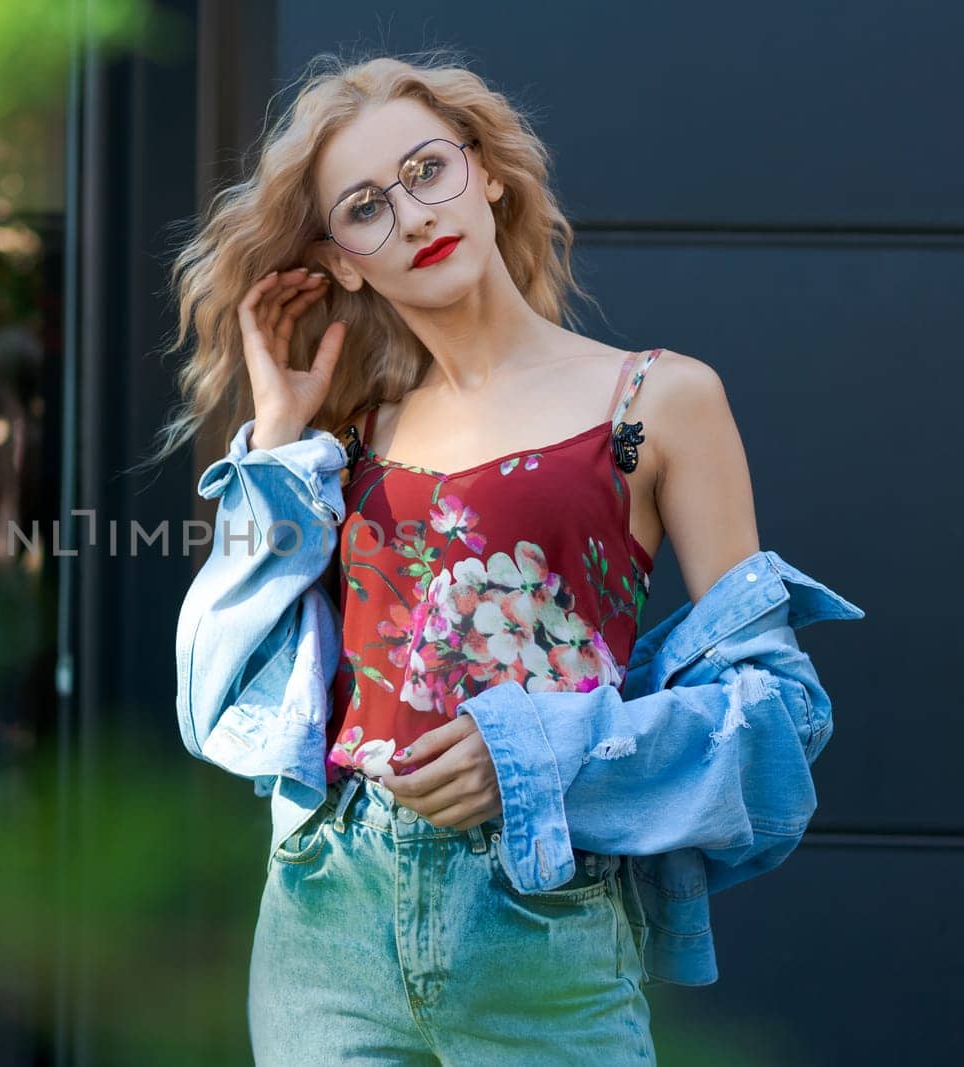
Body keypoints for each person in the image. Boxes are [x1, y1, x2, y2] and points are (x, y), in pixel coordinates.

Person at [151, 52, 864, 1066]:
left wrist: (533, 753)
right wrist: (274, 435)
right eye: (364, 206)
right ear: (345, 259)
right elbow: (216, 693)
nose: (411, 213)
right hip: (326, 911)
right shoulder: (342, 439)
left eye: (426, 170)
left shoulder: (655, 400)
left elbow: (782, 712)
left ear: (485, 172)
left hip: (539, 918)